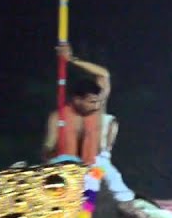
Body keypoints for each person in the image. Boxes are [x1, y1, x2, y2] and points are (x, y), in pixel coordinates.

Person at [40, 44, 134, 201]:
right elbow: (48, 146)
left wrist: (71, 60)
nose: (96, 105)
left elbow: (103, 74)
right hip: (68, 166)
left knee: (105, 182)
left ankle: (128, 204)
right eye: (91, 102)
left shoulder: (97, 106)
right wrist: (50, 160)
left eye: (98, 102)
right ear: (77, 100)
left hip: (97, 163)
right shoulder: (58, 117)